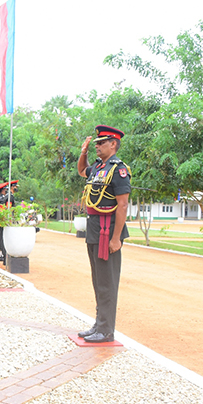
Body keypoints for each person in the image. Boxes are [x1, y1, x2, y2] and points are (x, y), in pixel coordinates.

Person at [76, 125, 131, 343]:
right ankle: (99, 324)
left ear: (113, 144)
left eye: (101, 142)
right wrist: (84, 152)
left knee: (107, 282)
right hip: (94, 229)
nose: (97, 146)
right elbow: (82, 171)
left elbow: (123, 205)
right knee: (98, 280)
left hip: (108, 232)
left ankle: (107, 330)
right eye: (96, 142)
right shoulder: (99, 167)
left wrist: (116, 238)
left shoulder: (118, 170)